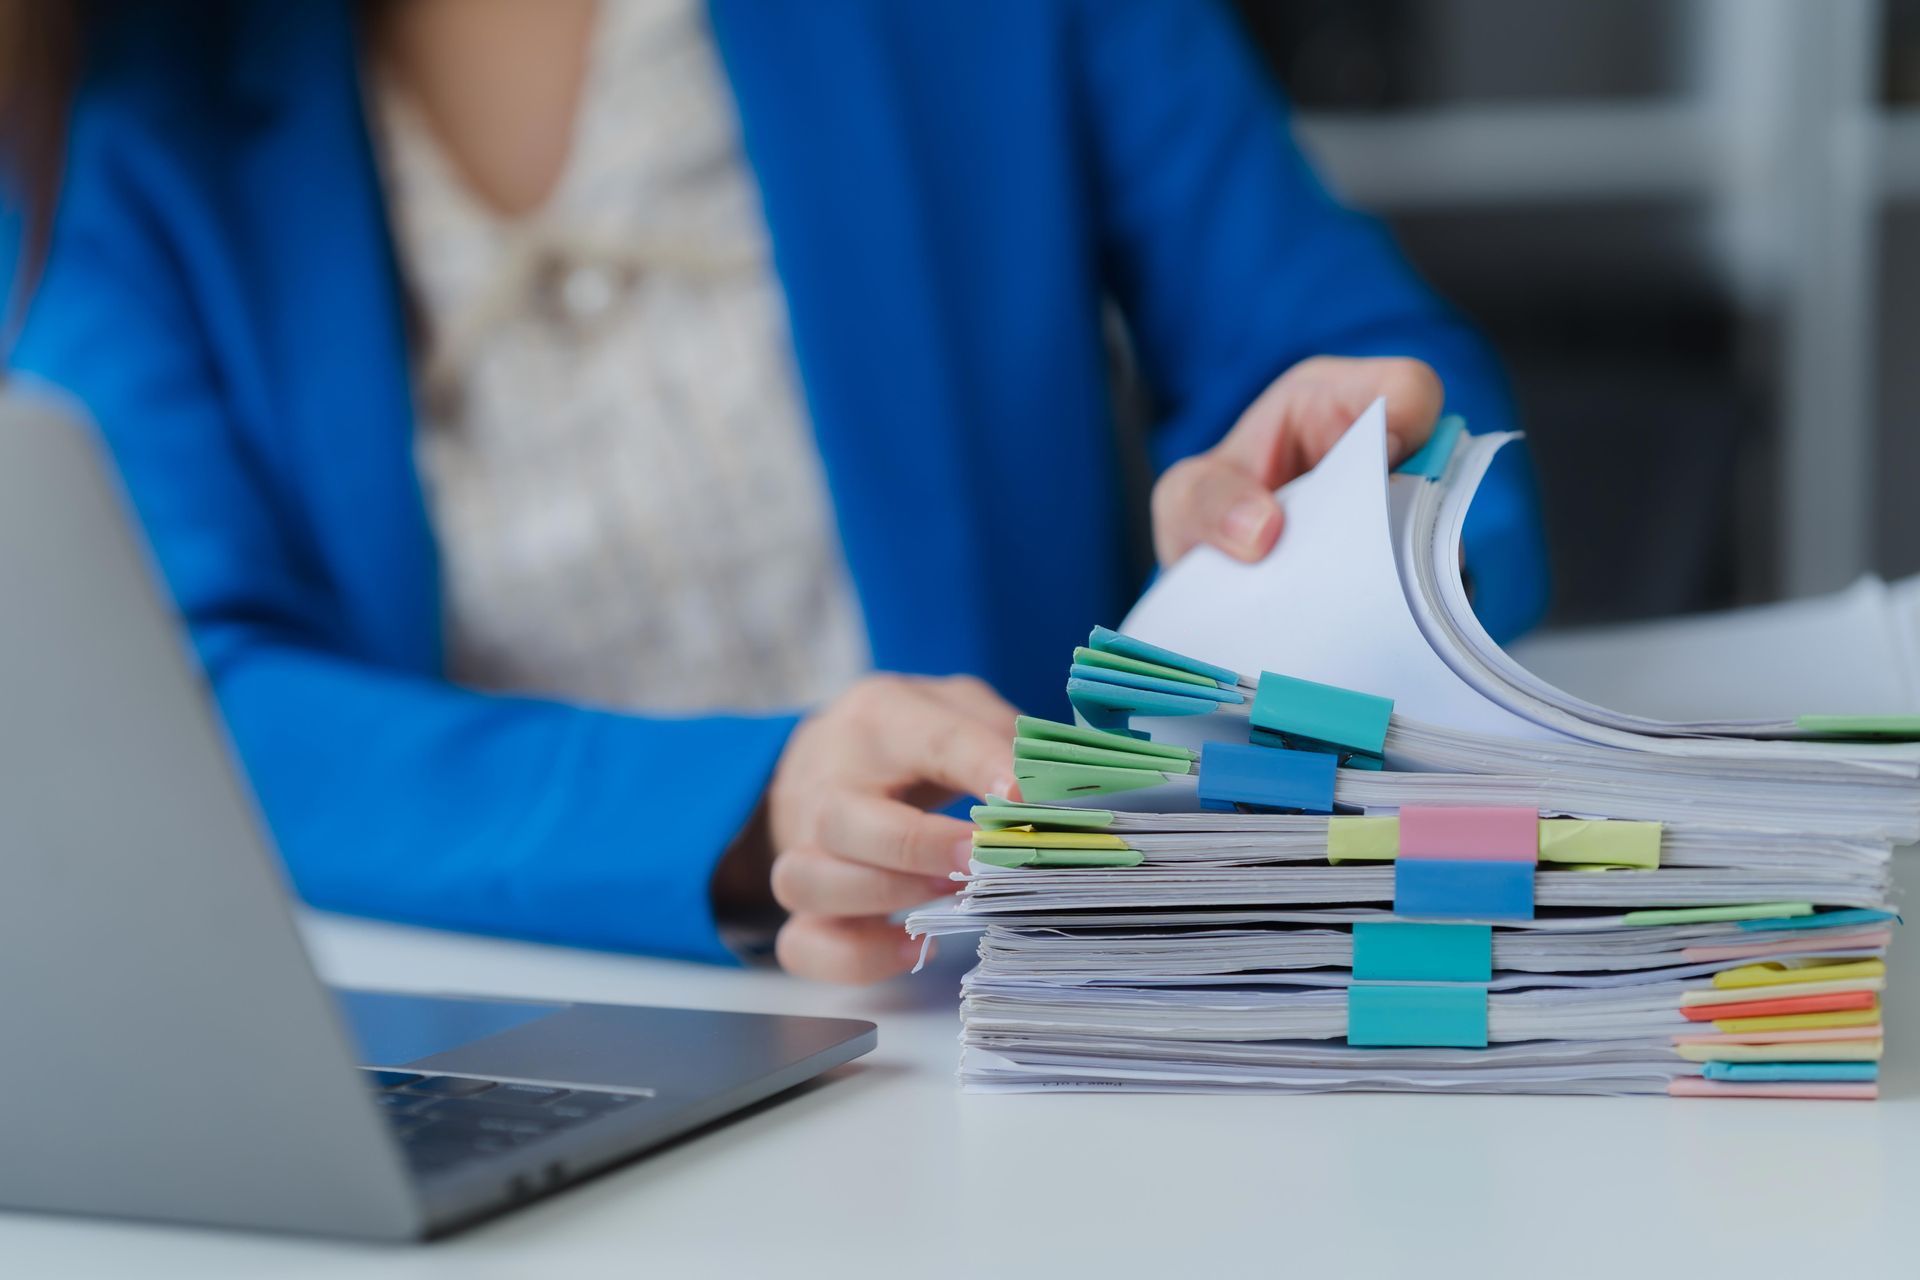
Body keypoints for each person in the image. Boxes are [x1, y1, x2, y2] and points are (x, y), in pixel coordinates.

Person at [0, 0, 1547, 983]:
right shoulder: (118, 83)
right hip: (498, 1043)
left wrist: (1329, 512)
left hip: (1004, 1023)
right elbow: (171, 700)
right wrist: (745, 812)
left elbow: (1393, 386)